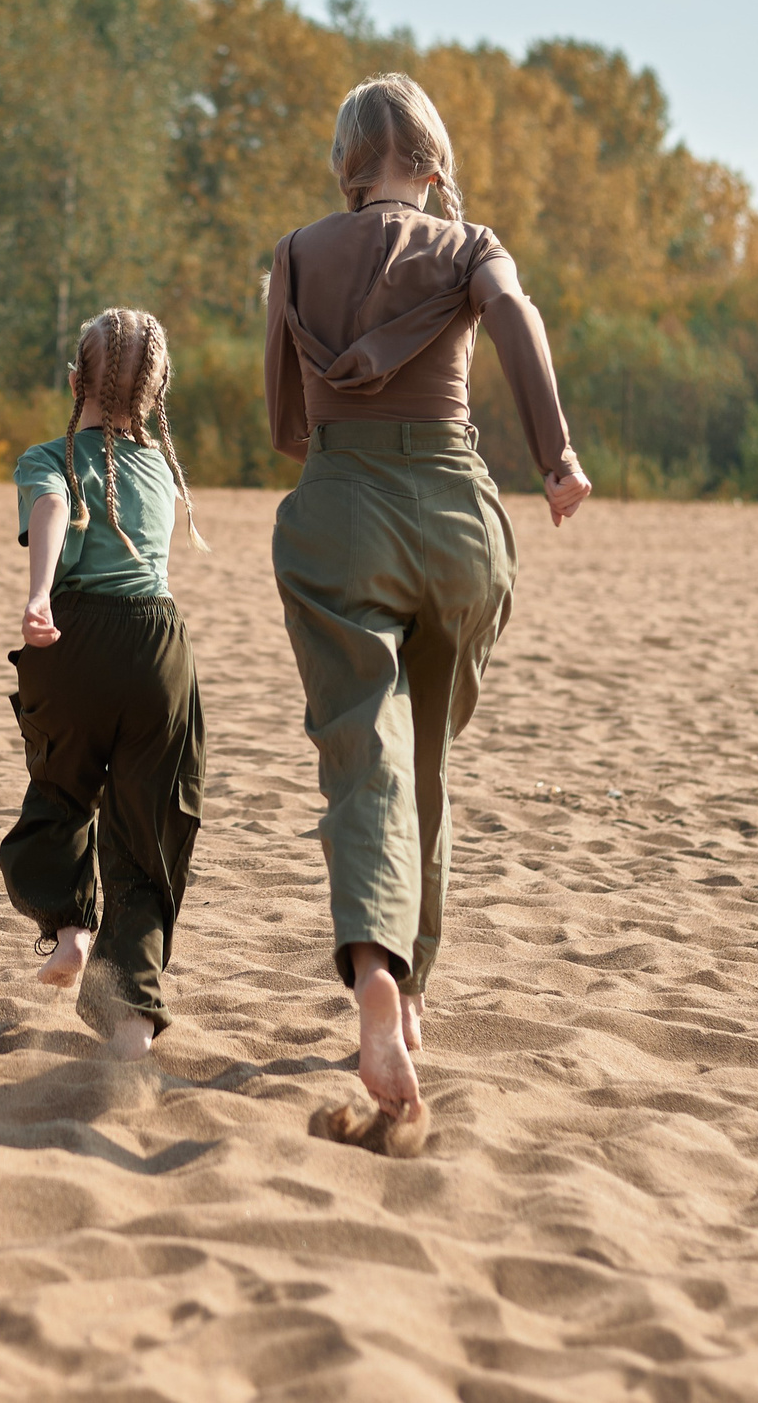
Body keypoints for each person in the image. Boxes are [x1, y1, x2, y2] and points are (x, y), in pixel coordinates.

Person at [264, 72, 591, 1145]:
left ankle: (374, 973)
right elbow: (514, 318)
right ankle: (411, 995)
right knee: (428, 765)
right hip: (455, 519)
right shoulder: (469, 245)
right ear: (433, 161)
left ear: (346, 164)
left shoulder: (297, 254)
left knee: (365, 752)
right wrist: (556, 458)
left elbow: (284, 426)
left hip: (340, 512)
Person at [2, 307, 208, 1061]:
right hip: (159, 650)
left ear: (74, 382)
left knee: (61, 788)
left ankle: (71, 927)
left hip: (76, 638)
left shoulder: (46, 457)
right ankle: (132, 1024)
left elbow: (55, 505)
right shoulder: (161, 467)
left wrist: (40, 592)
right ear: (157, 394)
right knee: (148, 833)